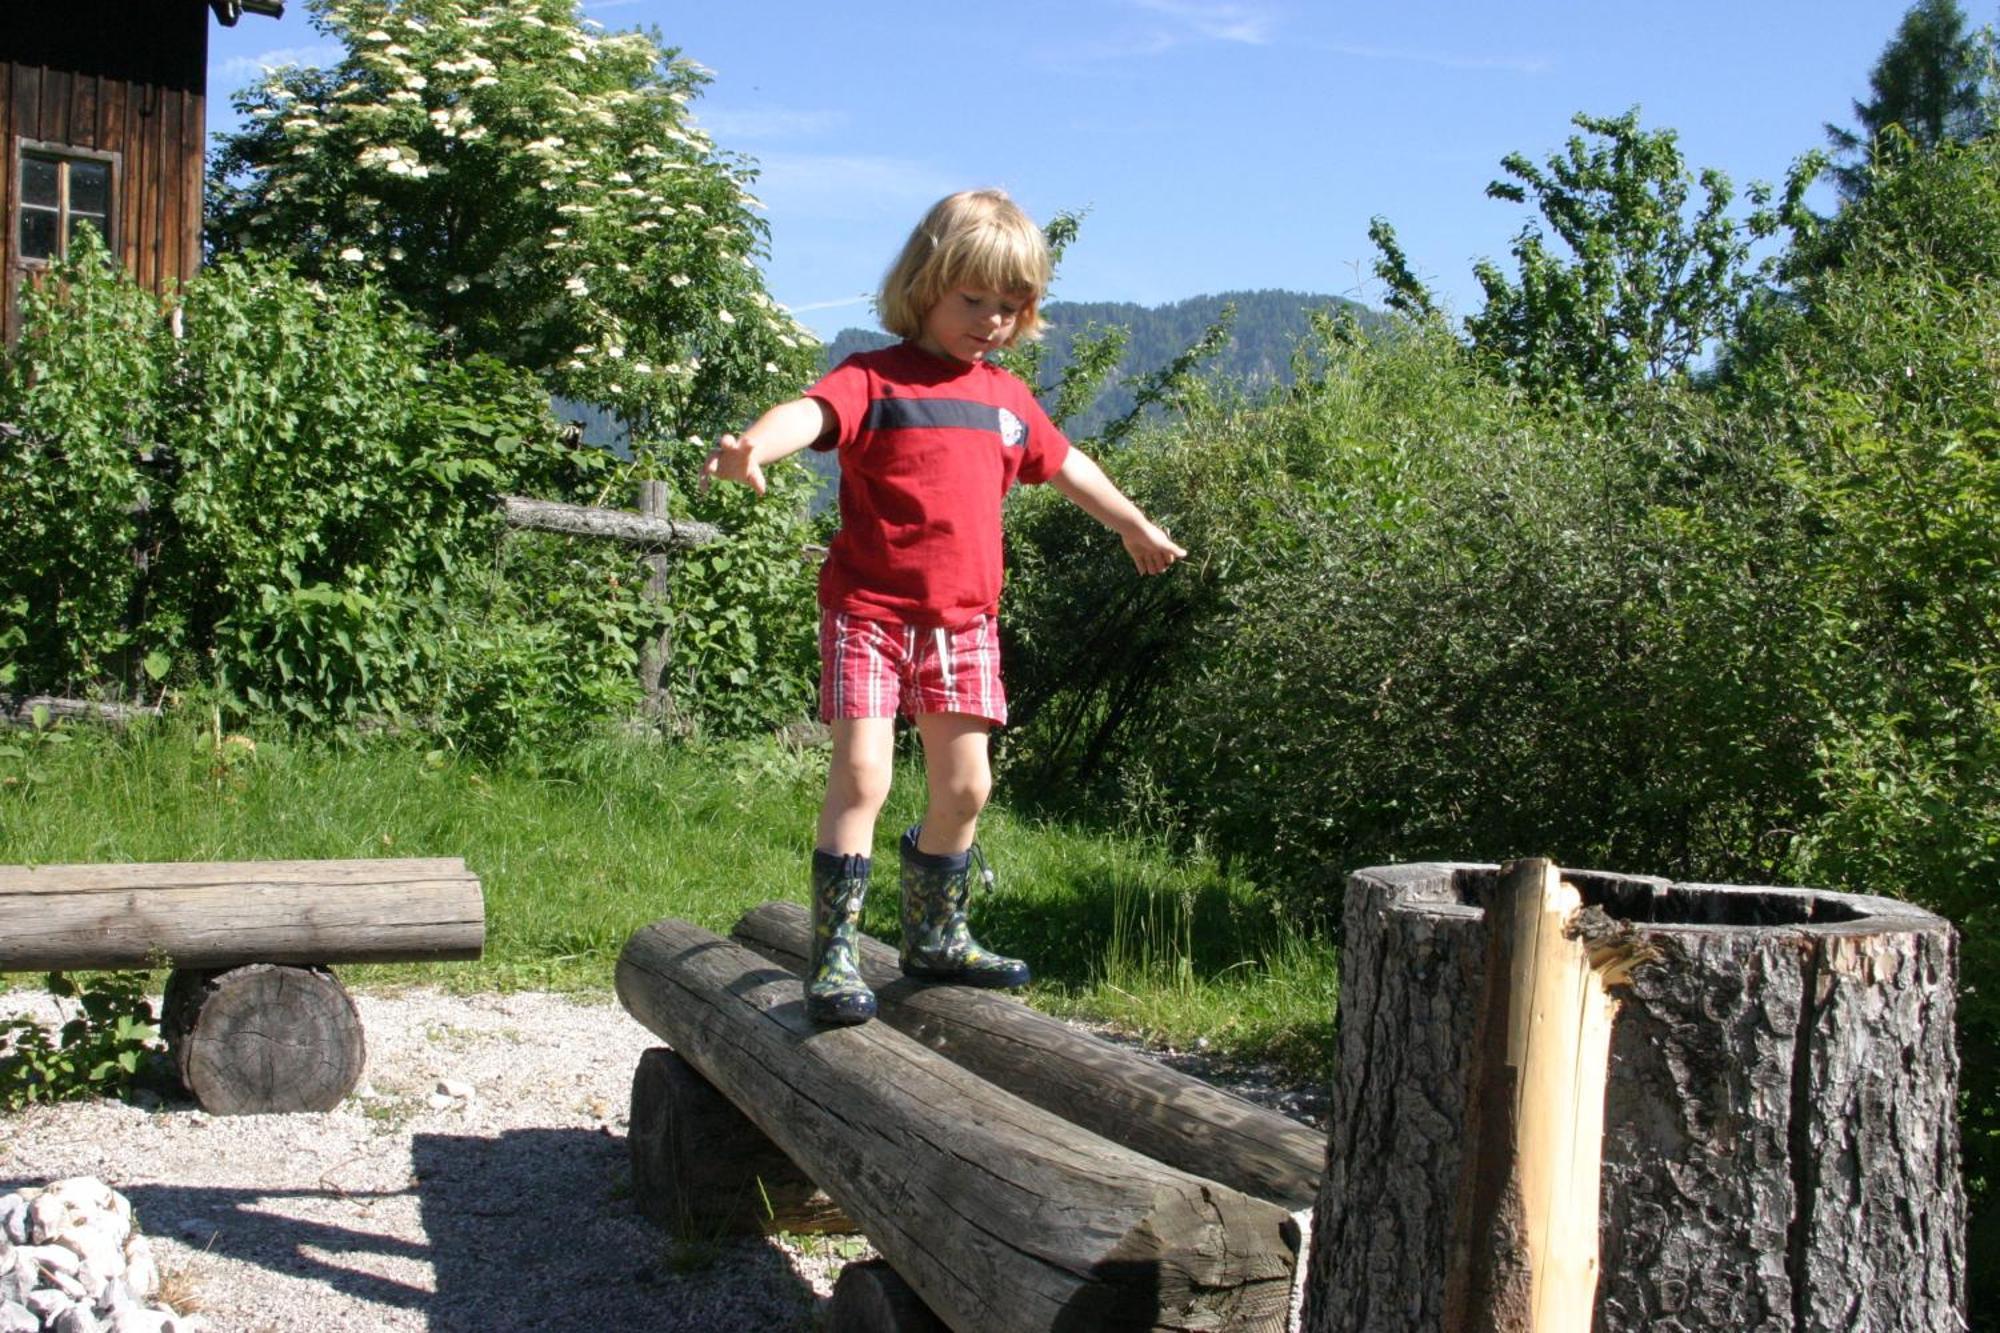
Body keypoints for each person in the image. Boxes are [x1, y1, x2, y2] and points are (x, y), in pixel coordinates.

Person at [700, 188, 1186, 1026]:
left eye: (1011, 306)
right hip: (871, 613)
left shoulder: (1006, 399)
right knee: (862, 774)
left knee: (966, 788)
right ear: (925, 283)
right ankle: (836, 954)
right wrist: (754, 446)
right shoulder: (874, 377)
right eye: (974, 300)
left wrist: (1132, 522)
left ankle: (935, 935)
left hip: (964, 622)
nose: (993, 321)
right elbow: (809, 413)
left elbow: (1068, 464)